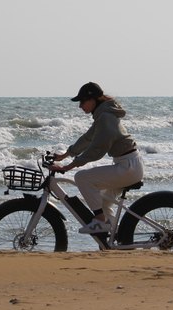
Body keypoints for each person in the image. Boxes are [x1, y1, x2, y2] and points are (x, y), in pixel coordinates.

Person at [48, 82, 144, 234]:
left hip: (127, 167)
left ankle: (100, 221)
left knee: (82, 177)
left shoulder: (105, 117)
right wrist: (65, 155)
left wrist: (67, 167)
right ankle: (115, 237)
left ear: (93, 100)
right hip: (129, 164)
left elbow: (96, 148)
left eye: (82, 101)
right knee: (104, 203)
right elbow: (87, 139)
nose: (80, 106)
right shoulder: (103, 115)